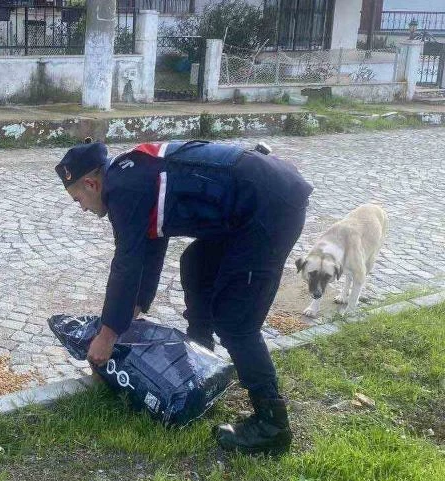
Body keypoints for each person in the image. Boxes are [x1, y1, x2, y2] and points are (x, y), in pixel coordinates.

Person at [55, 138, 313, 455]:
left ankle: (272, 424)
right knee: (197, 264)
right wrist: (134, 307)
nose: (81, 206)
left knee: (237, 323)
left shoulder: (122, 190)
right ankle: (201, 364)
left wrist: (108, 334)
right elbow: (151, 244)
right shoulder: (131, 175)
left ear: (92, 183)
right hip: (255, 196)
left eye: (77, 198)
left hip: (269, 204)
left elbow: (127, 261)